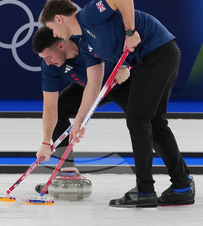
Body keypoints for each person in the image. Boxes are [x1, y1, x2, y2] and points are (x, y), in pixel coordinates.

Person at [40, 0, 195, 207]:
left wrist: (131, 31)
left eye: (51, 28)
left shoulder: (88, 15)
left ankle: (145, 191)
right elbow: (93, 85)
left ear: (59, 19)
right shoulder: (86, 44)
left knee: (138, 120)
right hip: (157, 57)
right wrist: (78, 123)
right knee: (154, 122)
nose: (54, 34)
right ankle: (182, 186)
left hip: (158, 52)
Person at [31, 26, 130, 188]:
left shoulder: (87, 39)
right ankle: (67, 171)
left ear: (61, 46)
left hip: (120, 84)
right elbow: (50, 106)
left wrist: (124, 65)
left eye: (48, 57)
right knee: (60, 109)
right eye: (44, 58)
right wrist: (46, 142)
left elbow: (122, 36)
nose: (47, 62)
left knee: (143, 122)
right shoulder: (49, 65)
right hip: (88, 87)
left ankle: (168, 181)